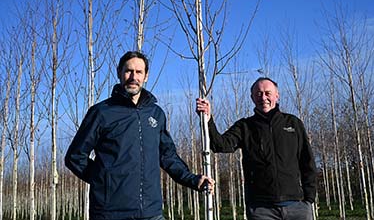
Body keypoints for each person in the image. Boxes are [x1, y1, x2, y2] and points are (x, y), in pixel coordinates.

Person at [65, 51, 214, 220]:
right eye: (128, 71)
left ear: (146, 76)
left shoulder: (156, 114)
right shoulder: (101, 113)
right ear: (119, 73)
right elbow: (75, 157)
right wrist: (105, 182)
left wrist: (194, 180)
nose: (133, 77)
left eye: (139, 72)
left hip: (151, 212)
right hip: (109, 213)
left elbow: (168, 156)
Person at [196, 77, 317, 220]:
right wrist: (208, 119)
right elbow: (220, 145)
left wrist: (309, 199)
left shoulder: (293, 123)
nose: (263, 97)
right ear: (252, 97)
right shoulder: (245, 126)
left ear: (277, 96)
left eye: (267, 93)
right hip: (261, 209)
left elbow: (307, 161)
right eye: (258, 94)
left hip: (297, 206)